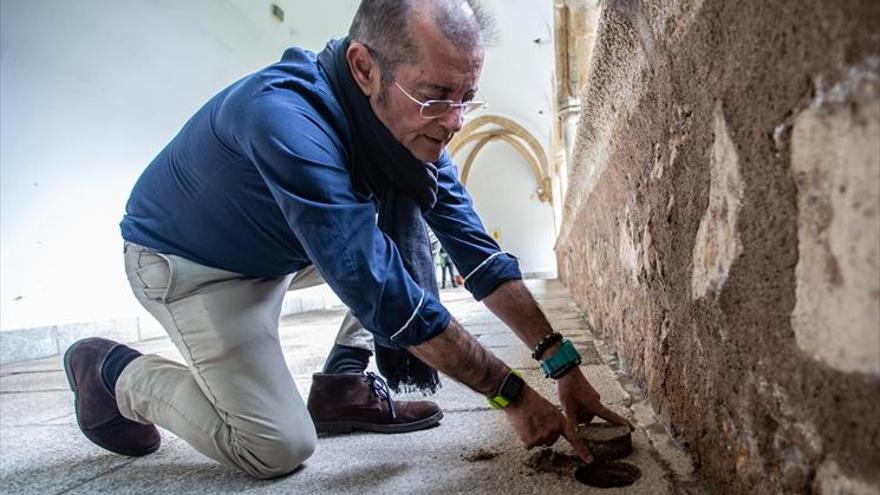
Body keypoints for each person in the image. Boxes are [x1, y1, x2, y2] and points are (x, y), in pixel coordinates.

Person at [62, 0, 630, 480]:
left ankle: (341, 382)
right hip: (192, 269)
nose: (454, 121)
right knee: (276, 449)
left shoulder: (411, 135)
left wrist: (563, 367)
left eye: (466, 97)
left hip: (287, 248)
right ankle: (110, 370)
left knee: (385, 239)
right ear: (364, 68)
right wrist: (513, 396)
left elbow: (476, 254)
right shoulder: (283, 118)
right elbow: (385, 293)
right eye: (436, 97)